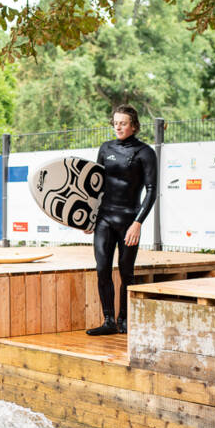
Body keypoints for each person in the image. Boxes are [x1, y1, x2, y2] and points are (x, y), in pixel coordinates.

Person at [86, 104, 158, 336]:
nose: (118, 126)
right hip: (104, 219)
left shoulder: (145, 152)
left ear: (134, 126)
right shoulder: (105, 148)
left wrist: (138, 222)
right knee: (102, 269)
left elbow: (151, 190)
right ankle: (108, 321)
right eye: (116, 122)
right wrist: (90, 218)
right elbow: (95, 186)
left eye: (123, 123)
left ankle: (124, 320)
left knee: (126, 272)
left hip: (129, 220)